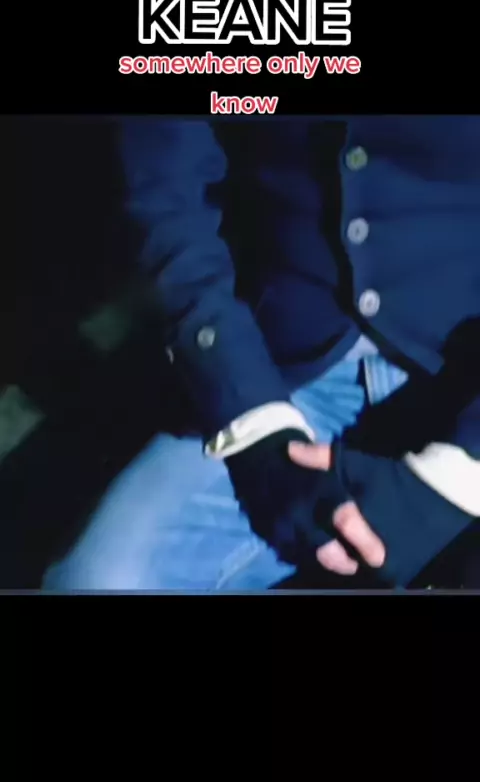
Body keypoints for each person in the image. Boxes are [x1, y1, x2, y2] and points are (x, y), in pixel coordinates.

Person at [43, 117, 480, 591]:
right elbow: (168, 192)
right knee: (100, 581)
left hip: (466, 371)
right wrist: (250, 418)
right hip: (285, 359)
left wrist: (459, 476)